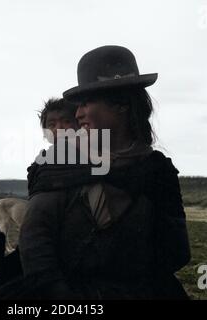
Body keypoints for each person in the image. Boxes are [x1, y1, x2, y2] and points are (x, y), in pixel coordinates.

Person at [18, 45, 191, 300]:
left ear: (121, 104)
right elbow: (35, 245)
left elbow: (176, 252)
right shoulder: (59, 161)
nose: (78, 113)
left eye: (86, 103)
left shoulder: (157, 170)